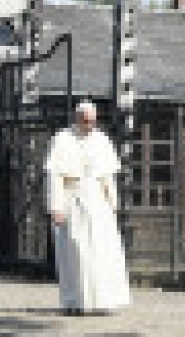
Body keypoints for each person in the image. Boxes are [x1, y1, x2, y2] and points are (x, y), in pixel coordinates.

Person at [45, 101, 130, 315]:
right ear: (77, 118)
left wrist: (113, 203)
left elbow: (107, 176)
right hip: (73, 200)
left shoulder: (102, 140)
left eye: (93, 121)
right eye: (86, 121)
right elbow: (55, 176)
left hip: (98, 204)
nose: (90, 125)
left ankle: (104, 300)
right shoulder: (62, 139)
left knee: (103, 253)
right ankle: (75, 301)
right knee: (77, 253)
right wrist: (56, 207)